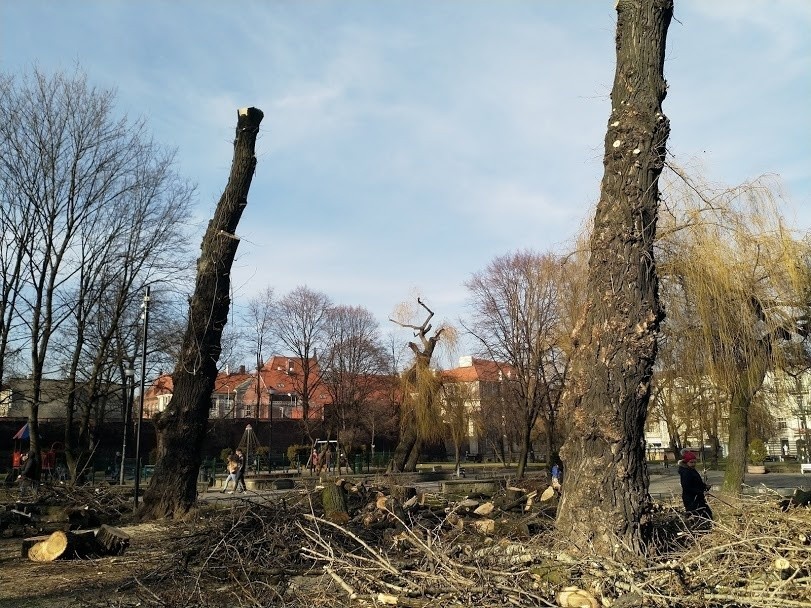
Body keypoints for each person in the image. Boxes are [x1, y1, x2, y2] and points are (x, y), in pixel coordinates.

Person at [678, 451, 713, 520]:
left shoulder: (692, 470)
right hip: (691, 499)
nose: (693, 464)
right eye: (691, 462)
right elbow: (687, 487)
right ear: (686, 462)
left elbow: (697, 482)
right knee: (698, 516)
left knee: (707, 514)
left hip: (698, 497)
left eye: (694, 462)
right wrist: (701, 492)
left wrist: (705, 486)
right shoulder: (686, 472)